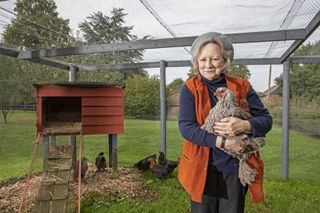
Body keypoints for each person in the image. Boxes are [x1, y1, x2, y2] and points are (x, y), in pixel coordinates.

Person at [178, 32, 272, 213]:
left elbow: (266, 120)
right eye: (203, 59)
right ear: (196, 61)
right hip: (201, 169)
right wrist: (224, 142)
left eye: (214, 59)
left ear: (225, 60)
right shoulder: (190, 88)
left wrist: (245, 125)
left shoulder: (242, 86)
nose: (208, 65)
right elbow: (186, 128)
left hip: (234, 169)